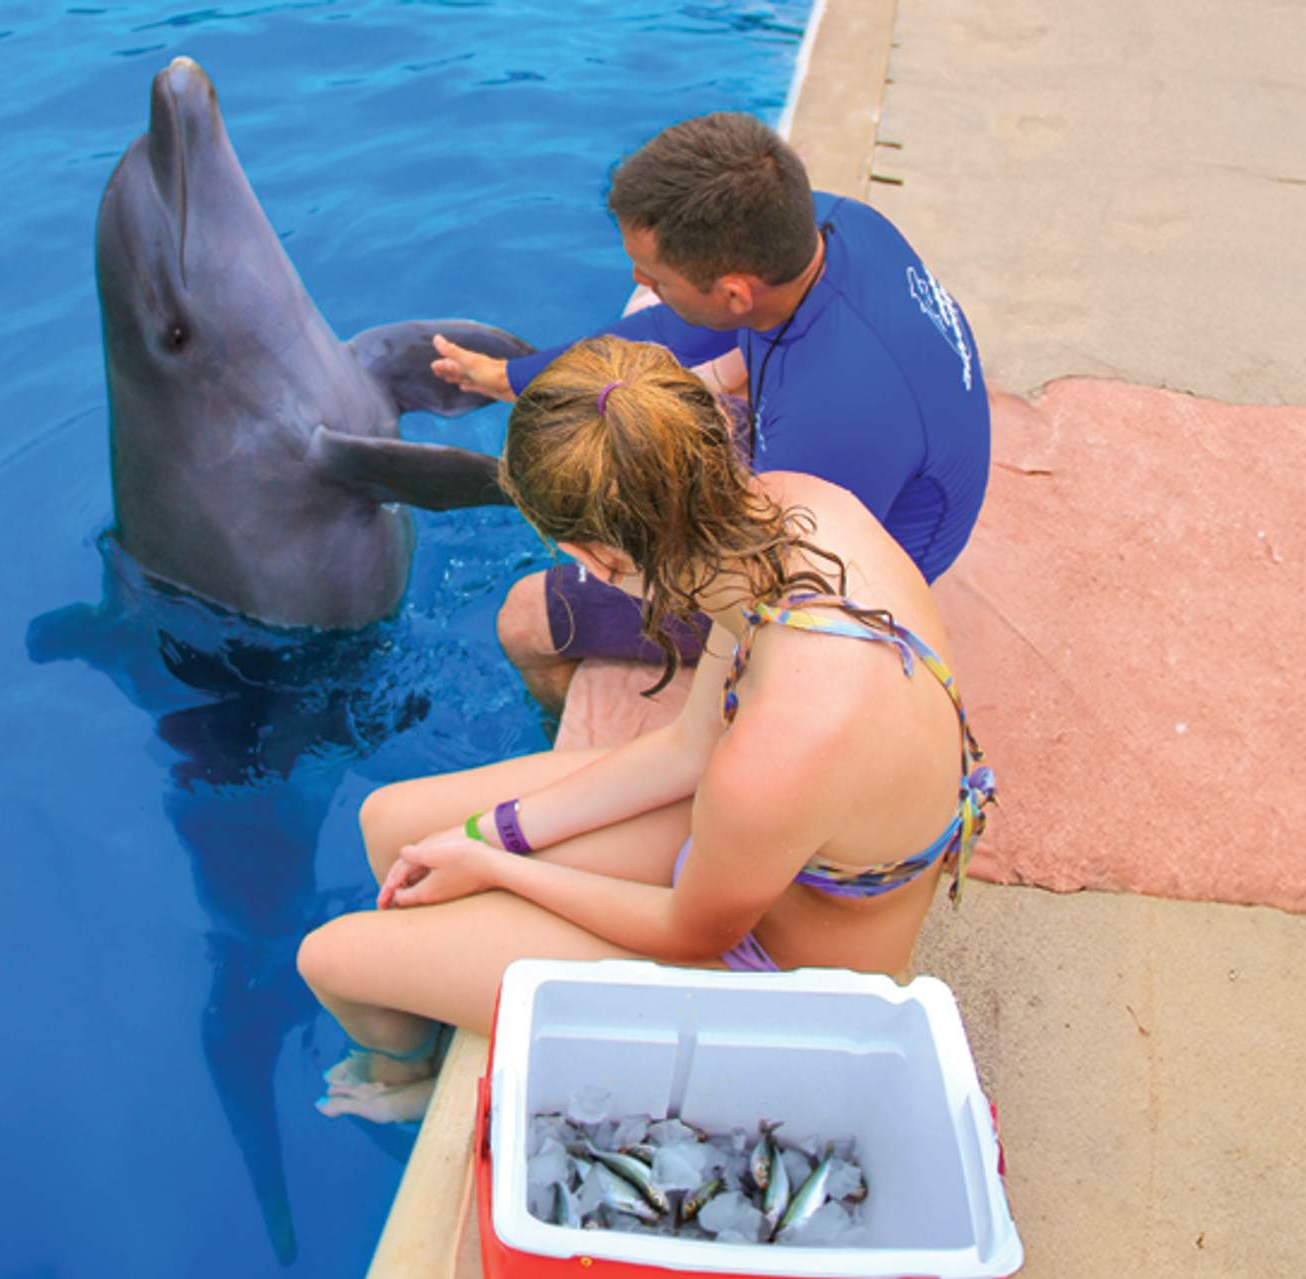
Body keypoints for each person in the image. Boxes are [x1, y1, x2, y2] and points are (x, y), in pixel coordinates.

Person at [297, 337, 995, 1122]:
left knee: (332, 959)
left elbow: (686, 931)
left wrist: (501, 869)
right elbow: (689, 747)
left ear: (593, 555)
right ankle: (443, 990)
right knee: (387, 820)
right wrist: (495, 834)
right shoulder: (787, 513)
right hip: (764, 861)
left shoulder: (778, 751)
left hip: (790, 985)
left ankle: (406, 1083)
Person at [430, 113, 990, 713]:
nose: (639, 281)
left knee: (523, 618)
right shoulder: (836, 225)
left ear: (735, 294)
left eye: (657, 277)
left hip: (857, 569)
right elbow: (668, 327)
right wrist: (507, 376)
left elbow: (772, 584)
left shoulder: (829, 431)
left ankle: (570, 731)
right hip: (863, 444)